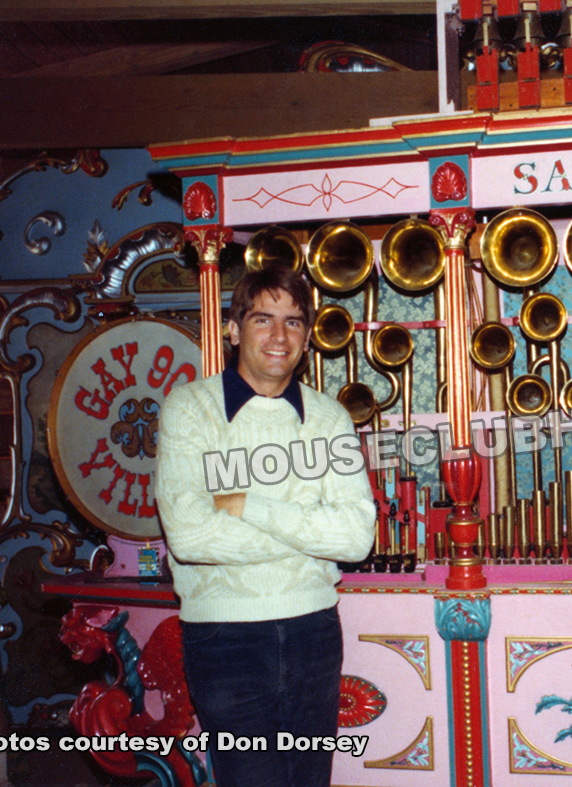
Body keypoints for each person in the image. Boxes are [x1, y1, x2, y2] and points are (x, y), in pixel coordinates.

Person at [155, 266, 376, 787]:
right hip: (225, 637)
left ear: (306, 337)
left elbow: (355, 538)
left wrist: (246, 503)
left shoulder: (328, 418)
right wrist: (307, 538)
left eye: (294, 323)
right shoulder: (191, 410)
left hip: (313, 632)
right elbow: (189, 537)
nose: (279, 337)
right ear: (233, 329)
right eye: (263, 319)